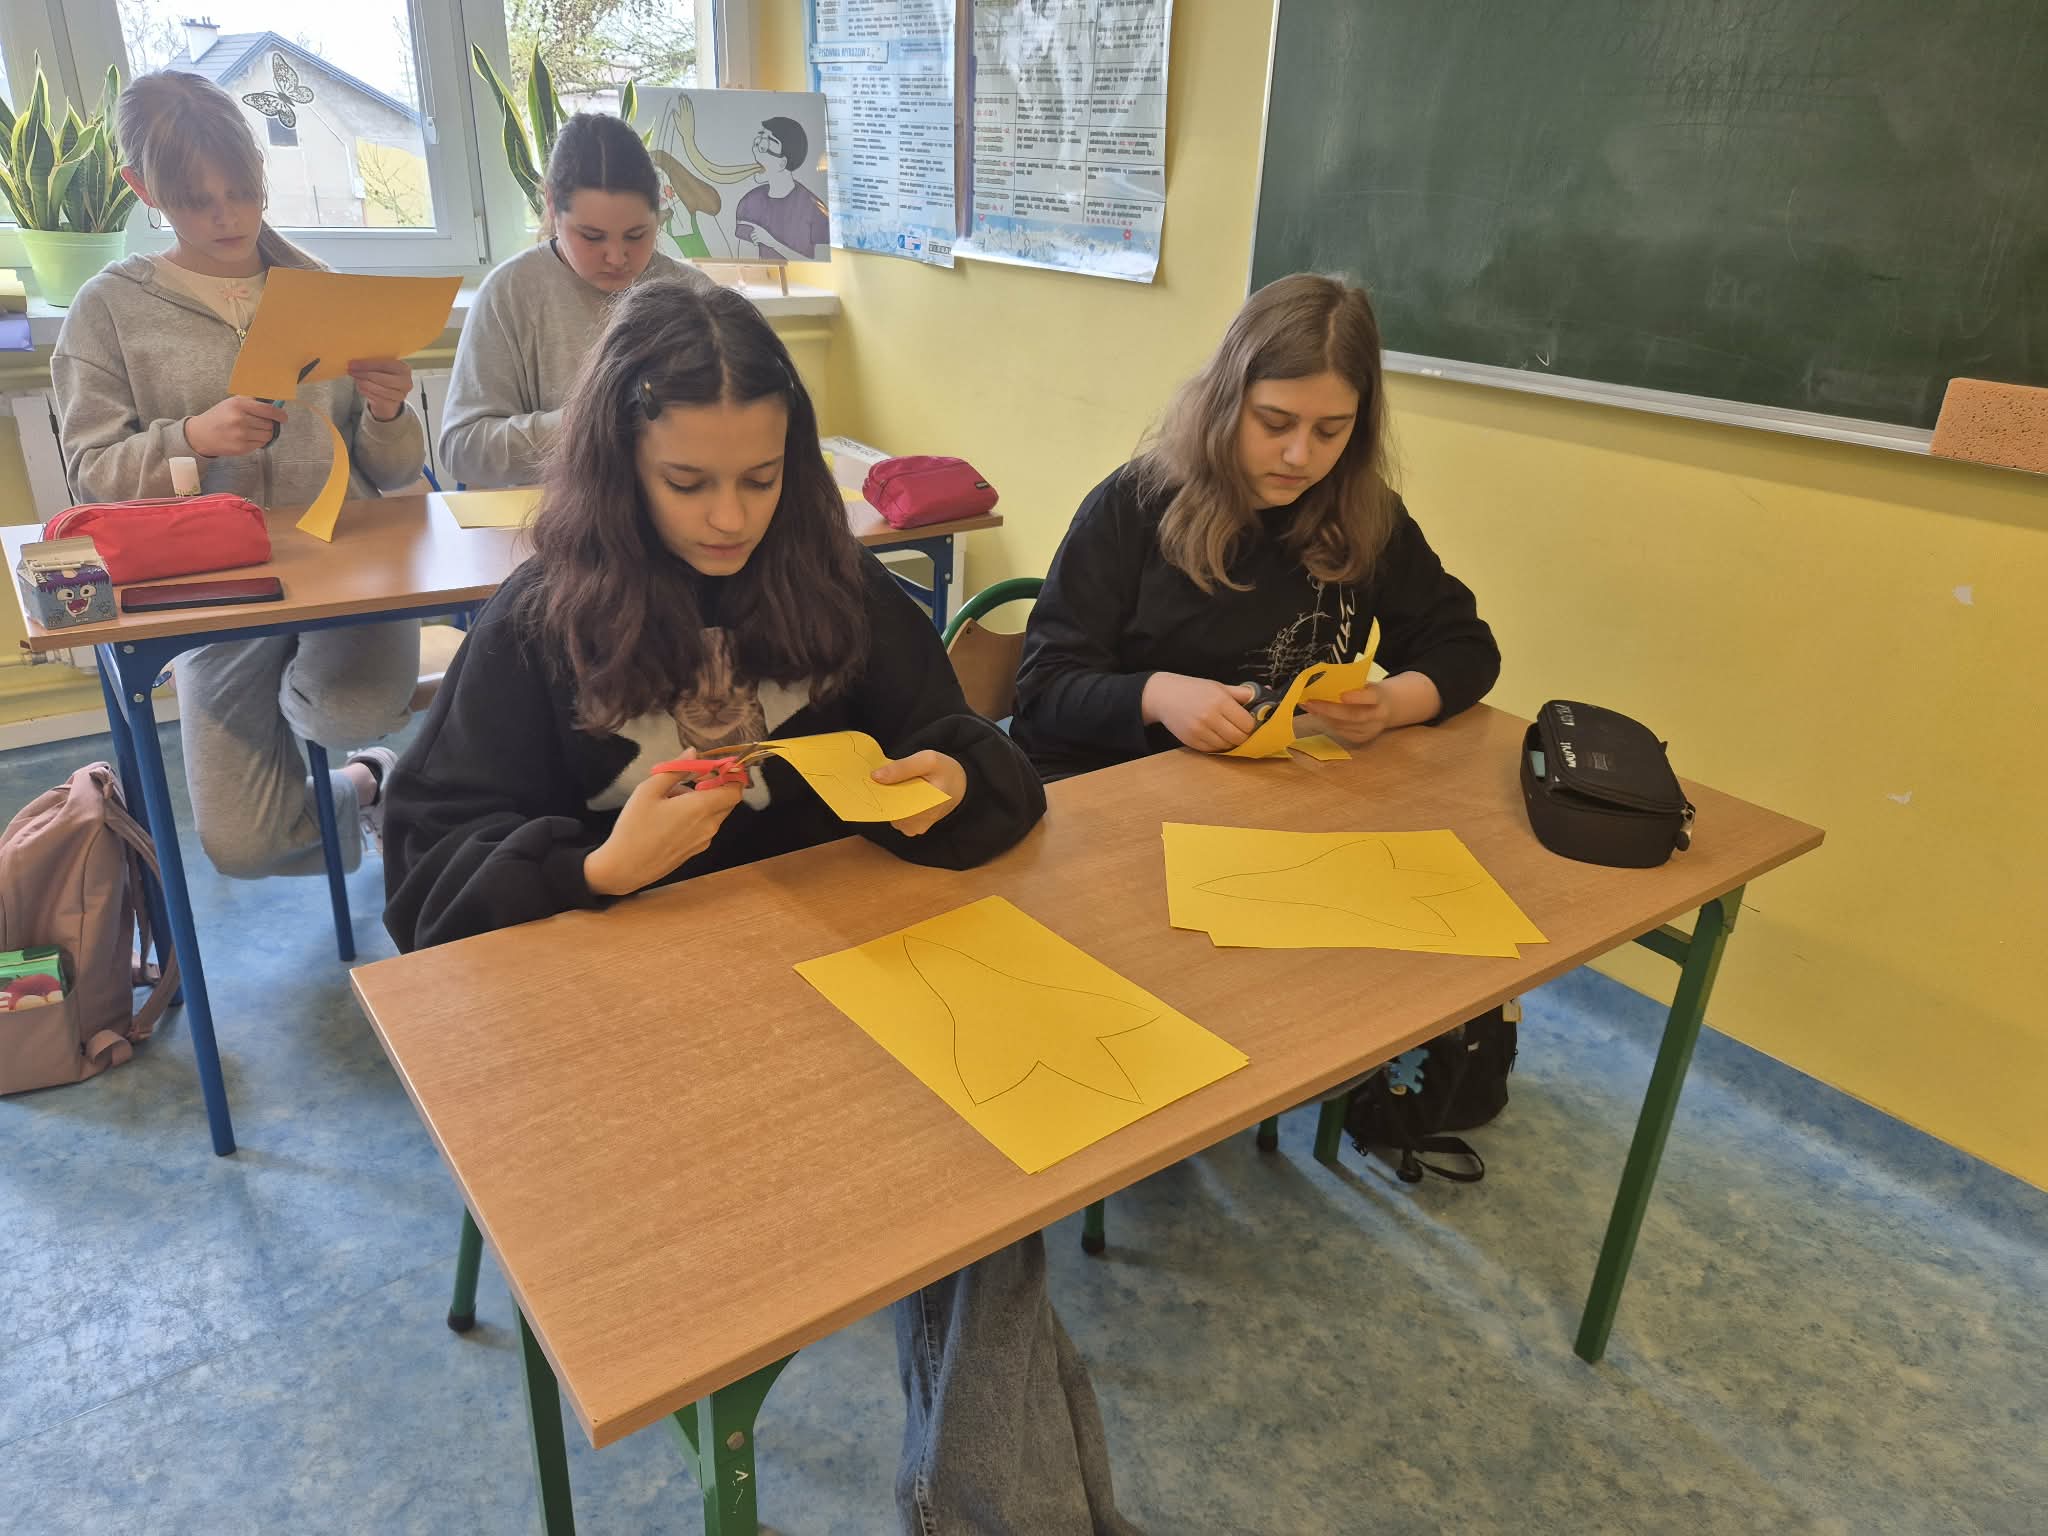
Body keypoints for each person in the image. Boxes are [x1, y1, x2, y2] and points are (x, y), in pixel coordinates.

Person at [382, 278, 1138, 1536]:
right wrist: (595, 869)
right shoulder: (541, 623)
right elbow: (422, 878)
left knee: (996, 1186)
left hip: (842, 1004)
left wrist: (948, 779)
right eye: (687, 483)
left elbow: (984, 761)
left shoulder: (834, 590)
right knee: (940, 1222)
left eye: (762, 477)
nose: (731, 517)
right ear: (620, 467)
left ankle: (988, 1512)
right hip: (630, 1054)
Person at [51, 70, 425, 878]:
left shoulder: (323, 286)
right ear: (142, 189)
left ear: (261, 173)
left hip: (345, 568)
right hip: (212, 589)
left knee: (346, 709)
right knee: (243, 846)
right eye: (196, 200)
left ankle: (332, 734)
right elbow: (91, 476)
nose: (227, 216)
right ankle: (368, 782)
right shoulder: (108, 309)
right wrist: (192, 439)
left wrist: (390, 412)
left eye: (244, 192)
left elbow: (395, 472)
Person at [1012, 272, 1500, 780]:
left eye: (1330, 431)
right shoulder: (1133, 505)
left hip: (1264, 785)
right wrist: (1157, 696)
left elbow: (1465, 648)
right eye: (1274, 423)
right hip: (1111, 780)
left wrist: (1390, 704)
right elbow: (1044, 689)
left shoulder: (1363, 513)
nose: (1299, 455)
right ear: (1225, 402)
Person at [439, 112, 716, 489]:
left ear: (658, 215)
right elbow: (463, 451)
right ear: (552, 207)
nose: (616, 257)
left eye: (636, 235)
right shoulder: (509, 293)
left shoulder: (696, 293)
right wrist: (590, 421)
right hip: (555, 513)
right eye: (592, 236)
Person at [734, 115, 830, 262]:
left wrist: (772, 242)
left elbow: (819, 262)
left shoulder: (815, 210)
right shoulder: (749, 203)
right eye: (758, 143)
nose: (756, 152)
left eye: (764, 147)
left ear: (782, 163)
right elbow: (742, 261)